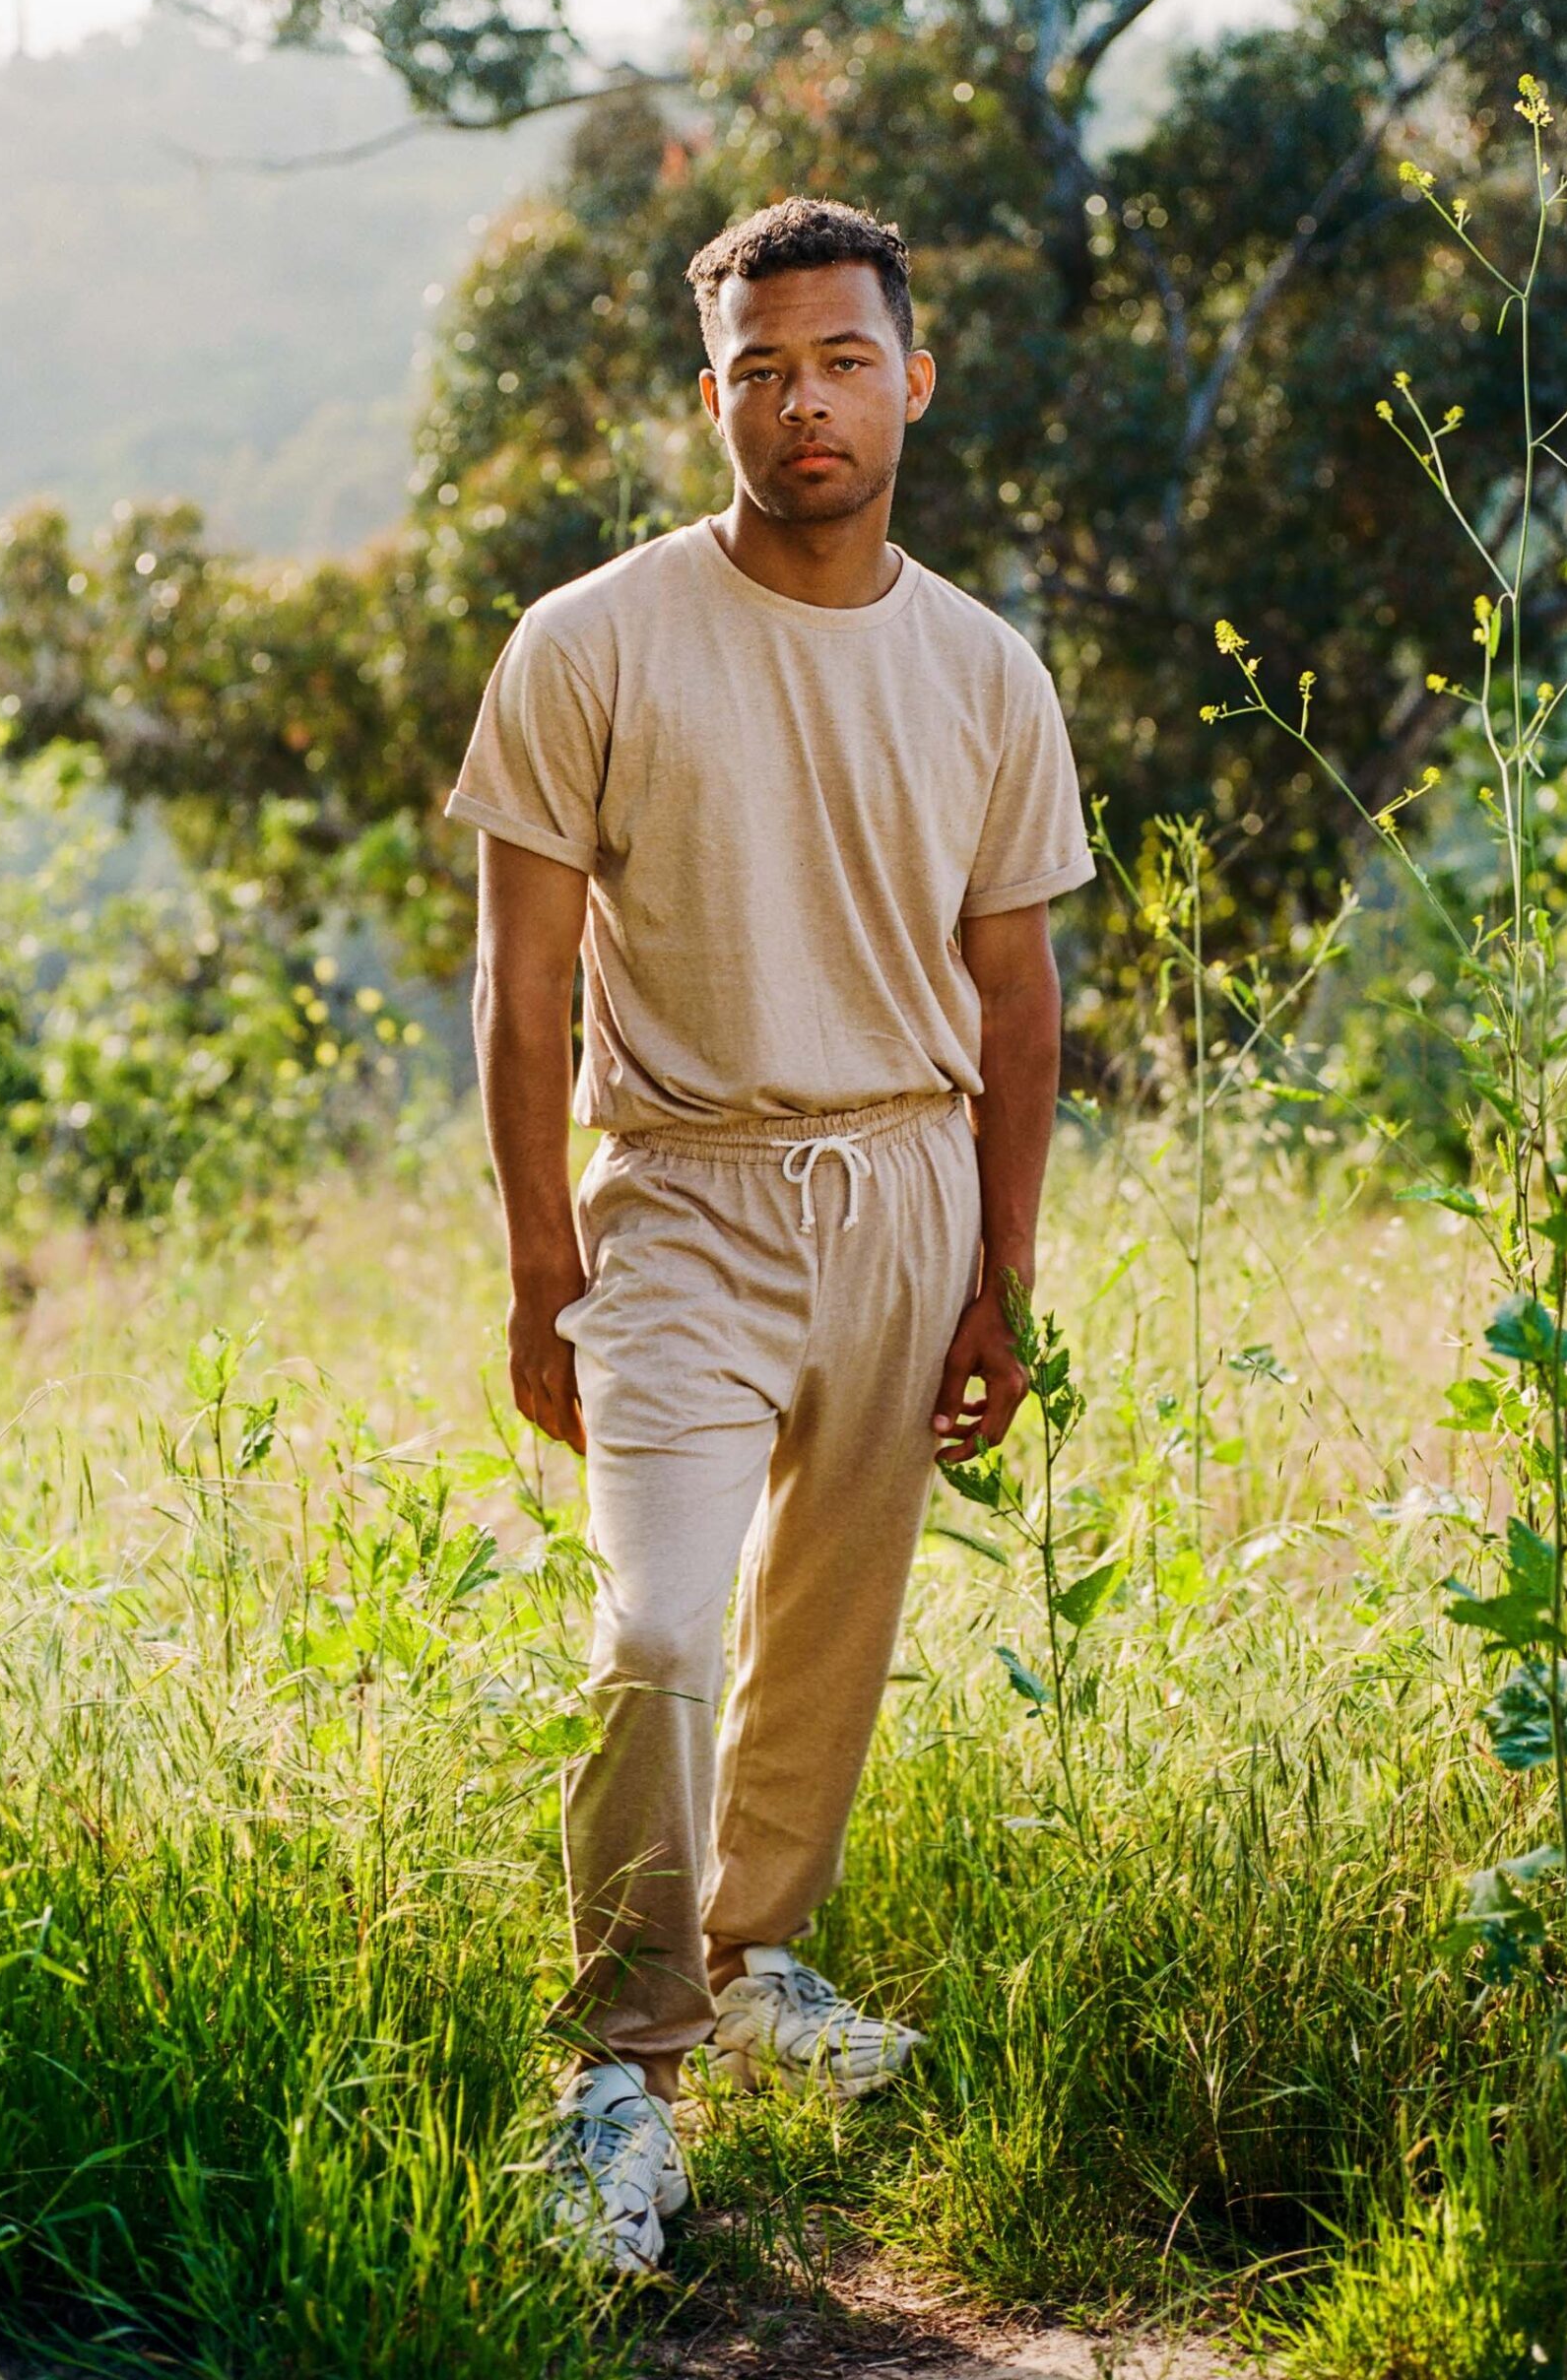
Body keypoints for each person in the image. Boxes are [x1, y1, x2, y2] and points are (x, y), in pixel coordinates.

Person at [446, 196, 1093, 2273]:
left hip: (907, 1189)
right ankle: (615, 2066)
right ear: (704, 392)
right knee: (653, 1627)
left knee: (821, 1635)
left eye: (839, 359)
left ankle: (754, 1959)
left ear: (913, 377)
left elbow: (1017, 1000)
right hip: (684, 1200)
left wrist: (1005, 1268)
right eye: (759, 365)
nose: (800, 399)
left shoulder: (985, 665)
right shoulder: (589, 640)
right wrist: (546, 1264)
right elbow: (519, 986)